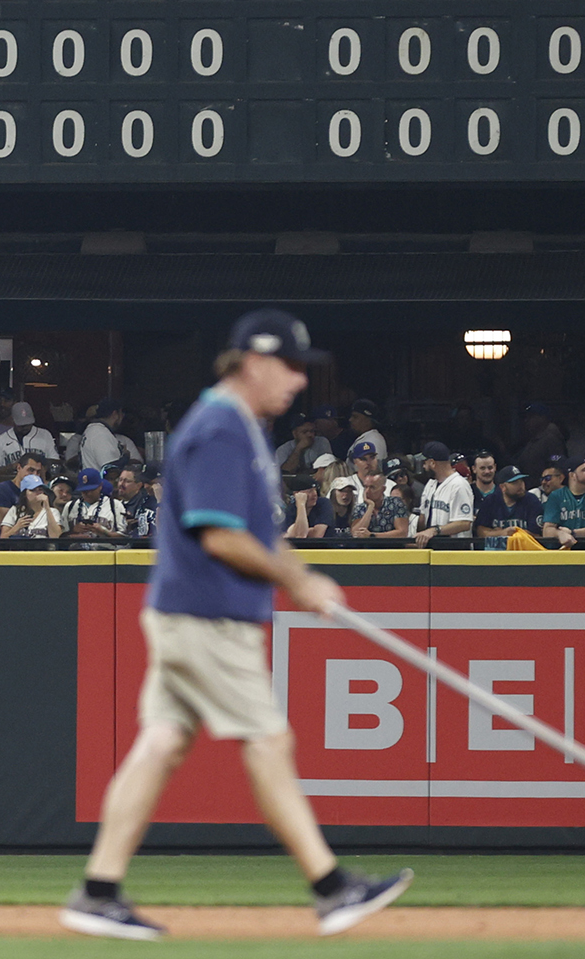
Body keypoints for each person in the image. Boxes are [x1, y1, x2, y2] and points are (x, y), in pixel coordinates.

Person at [64, 309, 410, 941]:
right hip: (206, 614)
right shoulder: (223, 425)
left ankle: (97, 891)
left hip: (192, 611)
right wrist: (297, 579)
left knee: (162, 743)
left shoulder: (239, 424)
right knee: (269, 741)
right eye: (291, 366)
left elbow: (244, 532)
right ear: (253, 362)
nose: (301, 381)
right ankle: (332, 888)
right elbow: (220, 535)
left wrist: (290, 571)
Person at [412, 441, 474, 548]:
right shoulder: (431, 484)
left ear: (432, 463)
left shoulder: (459, 485)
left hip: (456, 550)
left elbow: (464, 523)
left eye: (425, 463)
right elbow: (423, 517)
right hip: (434, 547)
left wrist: (434, 530)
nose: (423, 466)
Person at [474, 466, 544, 540]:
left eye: (521, 481)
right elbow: (481, 531)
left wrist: (509, 533)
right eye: (514, 482)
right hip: (497, 550)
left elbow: (536, 534)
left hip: (524, 549)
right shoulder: (491, 501)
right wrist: (502, 533)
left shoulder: (532, 500)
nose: (520, 485)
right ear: (503, 487)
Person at [0, 401, 60, 467]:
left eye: (27, 424)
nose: (25, 427)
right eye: (21, 425)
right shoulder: (2, 440)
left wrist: (38, 462)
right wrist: (11, 467)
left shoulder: (45, 435)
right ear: (13, 420)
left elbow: (55, 462)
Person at [62, 466, 127, 538]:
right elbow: (61, 538)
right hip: (76, 548)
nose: (88, 494)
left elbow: (124, 539)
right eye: (84, 491)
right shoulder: (70, 506)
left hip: (106, 548)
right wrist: (74, 531)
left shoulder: (115, 505)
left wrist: (104, 532)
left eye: (91, 490)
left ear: (100, 486)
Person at [77, 398, 128, 474]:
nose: (122, 417)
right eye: (121, 413)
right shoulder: (101, 433)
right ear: (115, 414)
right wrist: (126, 457)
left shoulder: (93, 429)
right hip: (100, 484)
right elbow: (110, 470)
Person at [353, 472, 408, 539]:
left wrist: (372, 536)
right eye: (365, 487)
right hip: (367, 548)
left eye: (372, 487)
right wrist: (370, 507)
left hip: (391, 548)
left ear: (383, 489)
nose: (367, 491)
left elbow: (402, 533)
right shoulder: (359, 508)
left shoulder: (396, 503)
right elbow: (355, 534)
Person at [114, 465, 157, 539]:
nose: (121, 484)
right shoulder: (114, 505)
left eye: (127, 481)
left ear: (138, 485)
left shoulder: (147, 504)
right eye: (120, 480)